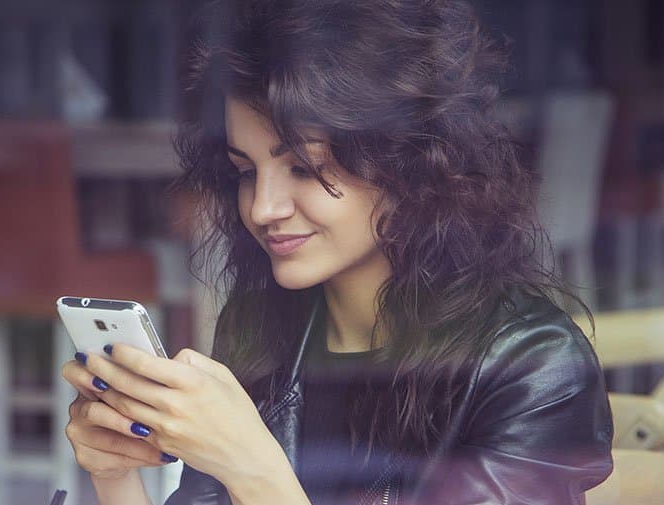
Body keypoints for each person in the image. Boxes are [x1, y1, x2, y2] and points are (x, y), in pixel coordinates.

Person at [60, 0, 614, 503]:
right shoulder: (261, 327)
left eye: (306, 167)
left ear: (409, 164)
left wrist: (254, 470)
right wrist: (115, 477)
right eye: (246, 172)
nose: (262, 208)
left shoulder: (532, 366)